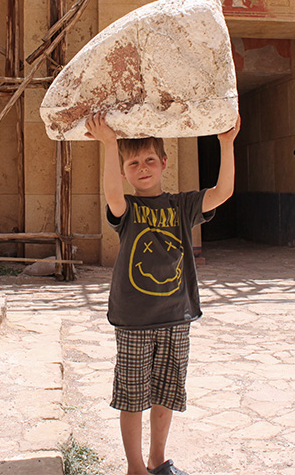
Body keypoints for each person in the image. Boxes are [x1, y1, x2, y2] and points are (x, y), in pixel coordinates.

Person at [85, 112, 240, 475]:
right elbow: (110, 193)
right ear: (124, 171)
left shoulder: (182, 206)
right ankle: (135, 467)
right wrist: (110, 144)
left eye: (150, 160)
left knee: (166, 394)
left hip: (177, 316)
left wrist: (226, 143)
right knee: (133, 398)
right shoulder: (128, 209)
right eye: (133, 162)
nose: (143, 168)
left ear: (165, 163)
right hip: (134, 320)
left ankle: (158, 458)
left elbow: (223, 192)